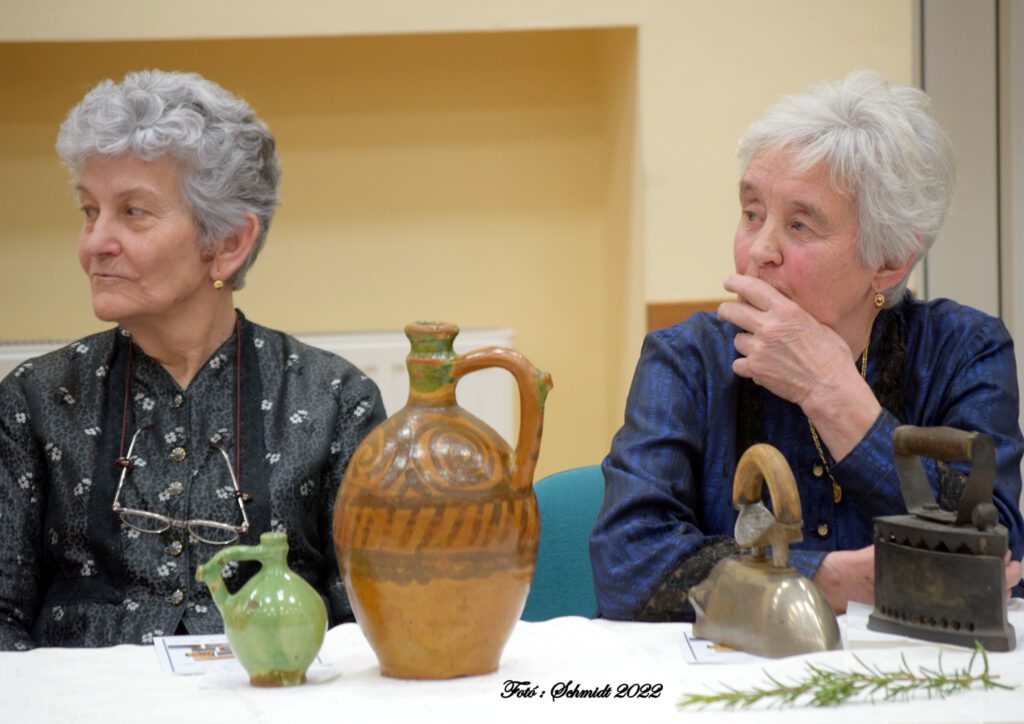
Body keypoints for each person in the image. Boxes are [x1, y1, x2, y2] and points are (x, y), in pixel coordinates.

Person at [590, 70, 1024, 621]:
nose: (759, 250)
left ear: (890, 262)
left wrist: (834, 395)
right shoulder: (685, 359)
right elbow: (626, 567)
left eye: (800, 226)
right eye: (752, 214)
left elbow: (992, 551)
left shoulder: (964, 351)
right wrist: (822, 579)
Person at [0, 70, 385, 650]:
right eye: (89, 210)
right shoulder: (34, 400)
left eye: (133, 211)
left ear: (228, 243)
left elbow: (370, 626)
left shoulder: (333, 401)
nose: (95, 242)